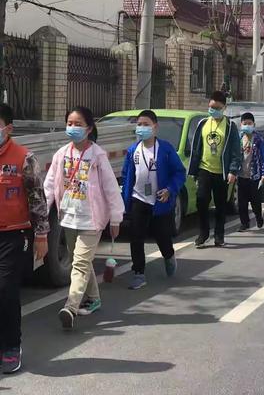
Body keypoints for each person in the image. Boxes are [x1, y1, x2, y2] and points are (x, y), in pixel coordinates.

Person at [44, 106, 124, 330]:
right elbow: (50, 186)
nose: (73, 128)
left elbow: (110, 188)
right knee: (79, 260)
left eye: (78, 124)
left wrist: (116, 218)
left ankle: (70, 306)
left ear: (89, 128)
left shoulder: (97, 155)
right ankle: (94, 298)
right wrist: (41, 212)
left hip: (92, 218)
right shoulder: (62, 154)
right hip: (68, 217)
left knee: (79, 263)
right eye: (70, 123)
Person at [0, 104, 49, 373]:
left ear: (8, 128)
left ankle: (11, 346)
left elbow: (37, 199)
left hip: (14, 233)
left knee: (5, 289)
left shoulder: (24, 158)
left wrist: (41, 235)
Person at [121, 110, 186, 290]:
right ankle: (139, 272)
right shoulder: (133, 150)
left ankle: (169, 255)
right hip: (138, 199)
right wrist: (124, 200)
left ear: (155, 128)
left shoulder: (165, 149)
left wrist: (170, 190)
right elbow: (127, 175)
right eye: (139, 124)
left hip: (159, 200)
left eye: (146, 125)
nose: (142, 128)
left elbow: (179, 172)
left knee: (162, 236)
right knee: (136, 237)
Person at [188, 91, 241, 248]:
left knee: (220, 205)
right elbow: (196, 148)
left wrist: (232, 170)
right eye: (211, 107)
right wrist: (194, 170)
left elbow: (235, 151)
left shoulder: (230, 127)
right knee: (201, 200)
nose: (213, 110)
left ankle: (219, 235)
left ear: (224, 107)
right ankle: (203, 233)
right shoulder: (203, 124)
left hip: (222, 172)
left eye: (217, 107)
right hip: (205, 169)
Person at [237, 112, 264, 231]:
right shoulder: (239, 139)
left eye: (249, 123)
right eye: (245, 124)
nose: (247, 126)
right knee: (242, 202)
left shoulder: (258, 140)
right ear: (241, 124)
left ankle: (259, 217)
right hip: (241, 175)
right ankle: (244, 223)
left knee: (255, 201)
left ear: (254, 124)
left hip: (254, 176)